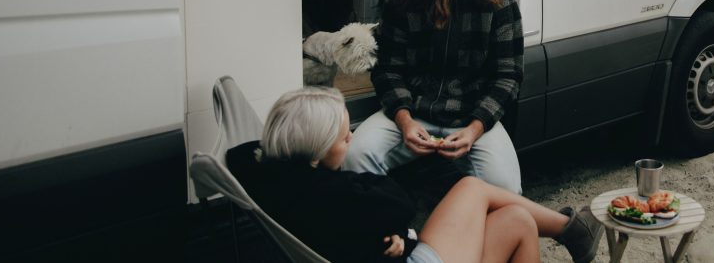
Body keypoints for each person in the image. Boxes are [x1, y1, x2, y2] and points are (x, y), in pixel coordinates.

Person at [227, 87, 604, 263]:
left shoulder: (271, 174)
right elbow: (398, 204)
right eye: (344, 137)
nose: (352, 140)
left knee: (518, 220)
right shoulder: (331, 192)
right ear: (317, 146)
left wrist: (383, 239)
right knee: (472, 186)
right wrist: (394, 237)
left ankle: (569, 230)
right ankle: (569, 228)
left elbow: (239, 152)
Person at [345, 0, 524, 193]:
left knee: (507, 190)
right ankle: (385, 235)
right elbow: (388, 68)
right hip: (412, 113)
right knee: (355, 156)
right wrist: (404, 121)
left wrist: (475, 129)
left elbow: (508, 77)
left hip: (472, 120)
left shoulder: (500, 0)